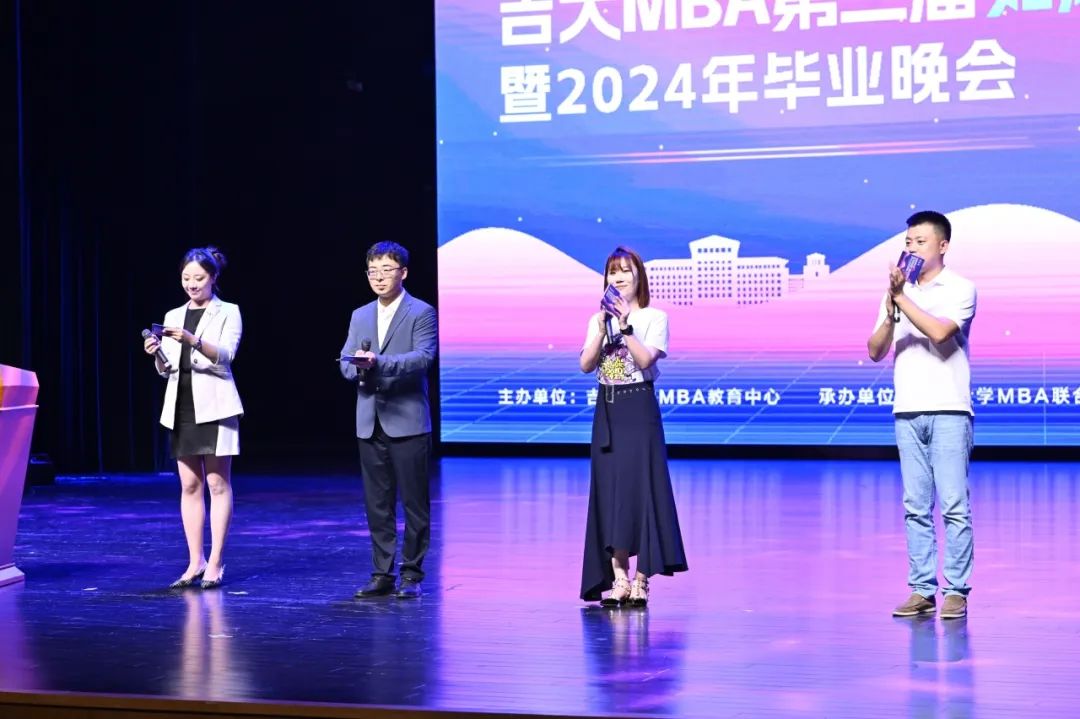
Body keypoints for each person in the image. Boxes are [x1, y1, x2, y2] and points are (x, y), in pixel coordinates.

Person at [867, 211, 977, 620]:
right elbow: (875, 350)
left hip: (949, 409)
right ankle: (921, 590)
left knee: (953, 505)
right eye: (908, 242)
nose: (911, 248)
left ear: (942, 245)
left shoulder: (960, 288)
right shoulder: (897, 293)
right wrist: (891, 307)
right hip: (907, 409)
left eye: (920, 242)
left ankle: (956, 591)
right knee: (915, 506)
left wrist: (901, 299)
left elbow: (940, 332)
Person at [579, 246, 687, 607]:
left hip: (638, 408)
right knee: (611, 493)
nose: (619, 277)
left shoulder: (655, 317)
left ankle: (642, 579)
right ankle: (619, 577)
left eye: (625, 270)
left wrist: (625, 326)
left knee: (642, 490)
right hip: (607, 410)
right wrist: (601, 329)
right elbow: (586, 365)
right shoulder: (598, 320)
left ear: (639, 275)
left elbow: (644, 359)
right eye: (613, 271)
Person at [340, 241, 437, 599]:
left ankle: (411, 574)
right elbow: (346, 361)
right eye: (373, 271)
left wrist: (378, 363)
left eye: (386, 270)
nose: (379, 277)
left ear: (403, 273)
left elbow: (423, 357)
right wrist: (357, 367)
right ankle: (382, 573)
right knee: (377, 504)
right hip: (369, 420)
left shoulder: (421, 311)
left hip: (408, 420)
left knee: (414, 503)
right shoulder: (360, 314)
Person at [143, 247, 243, 590]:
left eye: (198, 278)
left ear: (213, 277)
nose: (191, 284)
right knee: (189, 485)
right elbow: (167, 369)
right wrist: (157, 354)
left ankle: (215, 561)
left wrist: (193, 340)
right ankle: (194, 560)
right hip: (182, 406)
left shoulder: (228, 311)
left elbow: (226, 356)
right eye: (186, 278)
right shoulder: (173, 314)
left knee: (217, 483)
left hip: (215, 405)